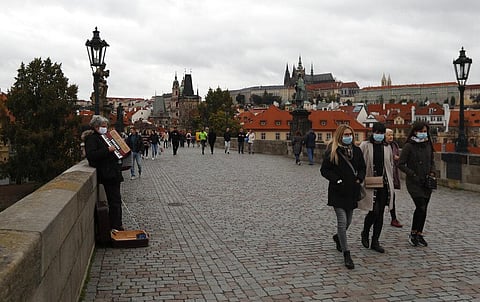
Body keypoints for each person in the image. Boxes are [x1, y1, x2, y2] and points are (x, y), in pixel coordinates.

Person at [320, 124, 366, 269]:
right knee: (342, 220)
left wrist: (359, 178)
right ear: (340, 136)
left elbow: (362, 168)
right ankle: (346, 253)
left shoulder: (357, 151)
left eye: (350, 134)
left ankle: (338, 237)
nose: (349, 137)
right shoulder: (333, 151)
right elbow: (324, 170)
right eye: (346, 135)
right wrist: (337, 180)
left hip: (352, 190)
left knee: (349, 221)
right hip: (338, 191)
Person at [398, 121, 436, 247]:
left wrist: (432, 172)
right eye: (421, 131)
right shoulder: (409, 146)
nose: (423, 134)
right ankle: (413, 233)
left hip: (426, 182)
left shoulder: (428, 144)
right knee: (420, 206)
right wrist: (412, 174)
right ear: (415, 132)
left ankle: (419, 233)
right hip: (414, 182)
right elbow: (401, 164)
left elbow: (432, 161)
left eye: (425, 132)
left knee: (424, 208)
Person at [358, 122, 394, 254]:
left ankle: (375, 241)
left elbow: (390, 164)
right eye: (377, 132)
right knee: (374, 211)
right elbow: (359, 162)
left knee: (381, 214)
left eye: (381, 133)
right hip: (370, 182)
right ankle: (365, 232)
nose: (379, 135)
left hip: (383, 183)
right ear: (373, 133)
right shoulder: (365, 145)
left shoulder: (387, 147)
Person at [84, 115, 124, 230]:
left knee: (116, 201)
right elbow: (91, 155)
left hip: (113, 173)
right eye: (103, 126)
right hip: (107, 174)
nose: (105, 128)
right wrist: (107, 150)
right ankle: (116, 226)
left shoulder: (105, 137)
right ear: (96, 127)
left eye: (106, 126)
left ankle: (117, 224)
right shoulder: (92, 138)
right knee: (114, 202)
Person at [386, 128, 403, 228]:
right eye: (388, 135)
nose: (391, 137)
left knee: (392, 197)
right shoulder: (381, 146)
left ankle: (394, 218)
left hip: (393, 175)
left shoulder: (394, 145)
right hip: (383, 175)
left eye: (392, 135)